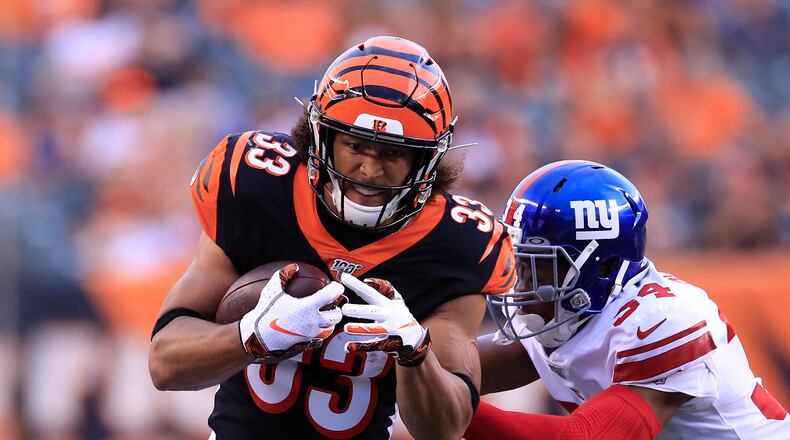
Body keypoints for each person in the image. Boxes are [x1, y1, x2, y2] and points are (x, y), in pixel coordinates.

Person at [147, 36, 516, 439]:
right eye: (355, 145)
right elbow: (165, 363)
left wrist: (415, 351)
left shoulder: (457, 243)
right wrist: (252, 335)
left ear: (426, 159)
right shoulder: (258, 188)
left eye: (393, 154)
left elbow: (446, 428)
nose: (370, 170)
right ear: (320, 137)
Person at [466, 160, 790, 439]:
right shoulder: (568, 316)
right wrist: (417, 355)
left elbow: (584, 437)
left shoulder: (664, 320)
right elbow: (453, 367)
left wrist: (444, 404)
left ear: (602, 266)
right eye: (518, 261)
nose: (518, 282)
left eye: (537, 267)